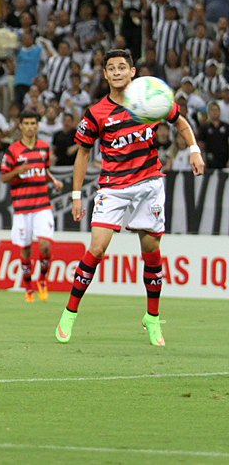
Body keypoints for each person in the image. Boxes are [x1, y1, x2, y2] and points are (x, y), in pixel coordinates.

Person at [56, 49, 204, 346]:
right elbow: (83, 153)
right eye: (111, 68)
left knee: (151, 251)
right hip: (112, 187)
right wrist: (75, 196)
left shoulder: (150, 100)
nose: (117, 72)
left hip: (149, 183)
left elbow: (182, 122)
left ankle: (152, 317)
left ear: (132, 72)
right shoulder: (96, 113)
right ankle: (70, 312)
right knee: (96, 249)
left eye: (122, 67)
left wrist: (194, 149)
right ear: (105, 74)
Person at [1, 109, 64, 302]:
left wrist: (53, 180)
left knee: (45, 244)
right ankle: (28, 288)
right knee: (26, 248)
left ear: (37, 125)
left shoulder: (44, 148)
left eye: (33, 123)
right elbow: (4, 177)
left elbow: (43, 169)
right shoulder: (13, 151)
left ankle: (42, 280)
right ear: (20, 125)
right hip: (22, 207)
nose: (30, 127)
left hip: (42, 204)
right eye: (26, 123)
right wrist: (19, 170)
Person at [198, 103, 229, 169]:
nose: (214, 112)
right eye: (212, 110)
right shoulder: (204, 127)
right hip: (210, 158)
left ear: (220, 112)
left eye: (216, 110)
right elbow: (201, 144)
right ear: (209, 112)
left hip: (224, 158)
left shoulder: (226, 126)